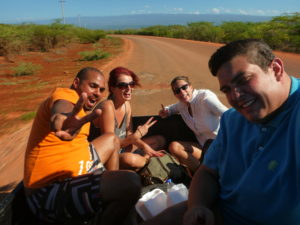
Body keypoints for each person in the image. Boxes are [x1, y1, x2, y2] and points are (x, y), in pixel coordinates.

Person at [182, 39, 300, 225]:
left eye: (243, 80)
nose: (236, 96)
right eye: (227, 90)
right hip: (221, 212)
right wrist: (197, 206)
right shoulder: (232, 119)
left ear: (276, 69)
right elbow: (207, 172)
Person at [23, 67, 142, 225]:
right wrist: (63, 121)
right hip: (48, 193)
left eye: (101, 89)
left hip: (78, 170)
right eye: (92, 86)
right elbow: (60, 112)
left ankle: (111, 193)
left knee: (111, 139)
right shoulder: (66, 95)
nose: (98, 93)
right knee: (130, 182)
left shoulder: (86, 113)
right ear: (76, 83)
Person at [90, 66, 166, 170]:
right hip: (107, 159)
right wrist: (138, 135)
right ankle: (147, 162)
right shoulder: (107, 106)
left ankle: (142, 161)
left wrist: (145, 147)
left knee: (159, 140)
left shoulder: (126, 105)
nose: (129, 88)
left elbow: (129, 135)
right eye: (122, 85)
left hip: (124, 149)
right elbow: (110, 147)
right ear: (112, 88)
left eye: (131, 84)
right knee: (129, 159)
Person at [159, 76, 228, 173]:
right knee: (174, 147)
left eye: (184, 87)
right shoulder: (182, 104)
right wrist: (165, 112)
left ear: (191, 87)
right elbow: (170, 109)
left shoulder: (205, 98)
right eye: (177, 91)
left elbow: (228, 115)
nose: (182, 92)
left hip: (221, 148)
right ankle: (203, 174)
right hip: (203, 149)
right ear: (175, 94)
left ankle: (206, 174)